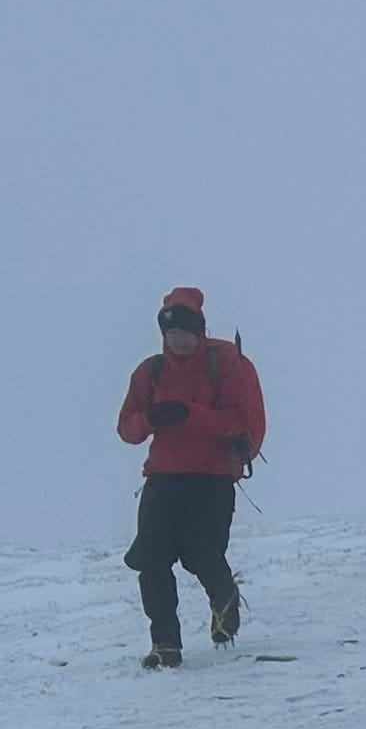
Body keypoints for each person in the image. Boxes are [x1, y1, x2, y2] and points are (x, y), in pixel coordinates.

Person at [113, 287, 265, 670]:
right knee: (153, 561)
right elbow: (126, 428)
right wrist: (152, 420)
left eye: (185, 331)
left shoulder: (224, 363)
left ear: (199, 330)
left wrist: (189, 414)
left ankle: (225, 600)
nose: (178, 339)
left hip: (212, 480)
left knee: (203, 555)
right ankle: (165, 645)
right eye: (171, 332)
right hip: (162, 480)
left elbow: (242, 423)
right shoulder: (150, 372)